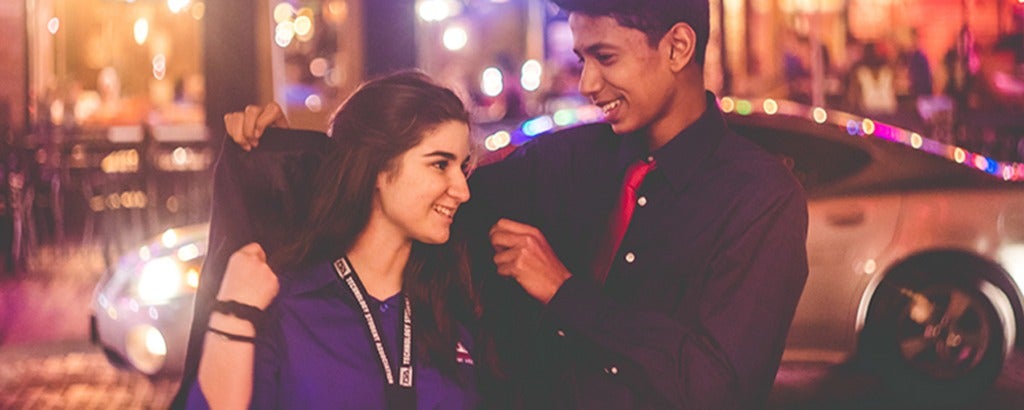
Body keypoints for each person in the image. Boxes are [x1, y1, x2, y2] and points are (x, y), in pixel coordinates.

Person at [216, 0, 808, 408]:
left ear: (678, 46)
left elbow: (720, 386)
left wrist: (564, 292)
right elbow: (408, 195)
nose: (588, 84)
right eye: (582, 60)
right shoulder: (569, 162)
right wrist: (277, 152)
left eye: (605, 57)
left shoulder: (758, 198)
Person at [184, 71, 482, 409]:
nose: (462, 191)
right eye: (440, 164)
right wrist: (232, 313)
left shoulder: (456, 302)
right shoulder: (288, 307)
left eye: (464, 166)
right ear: (378, 169)